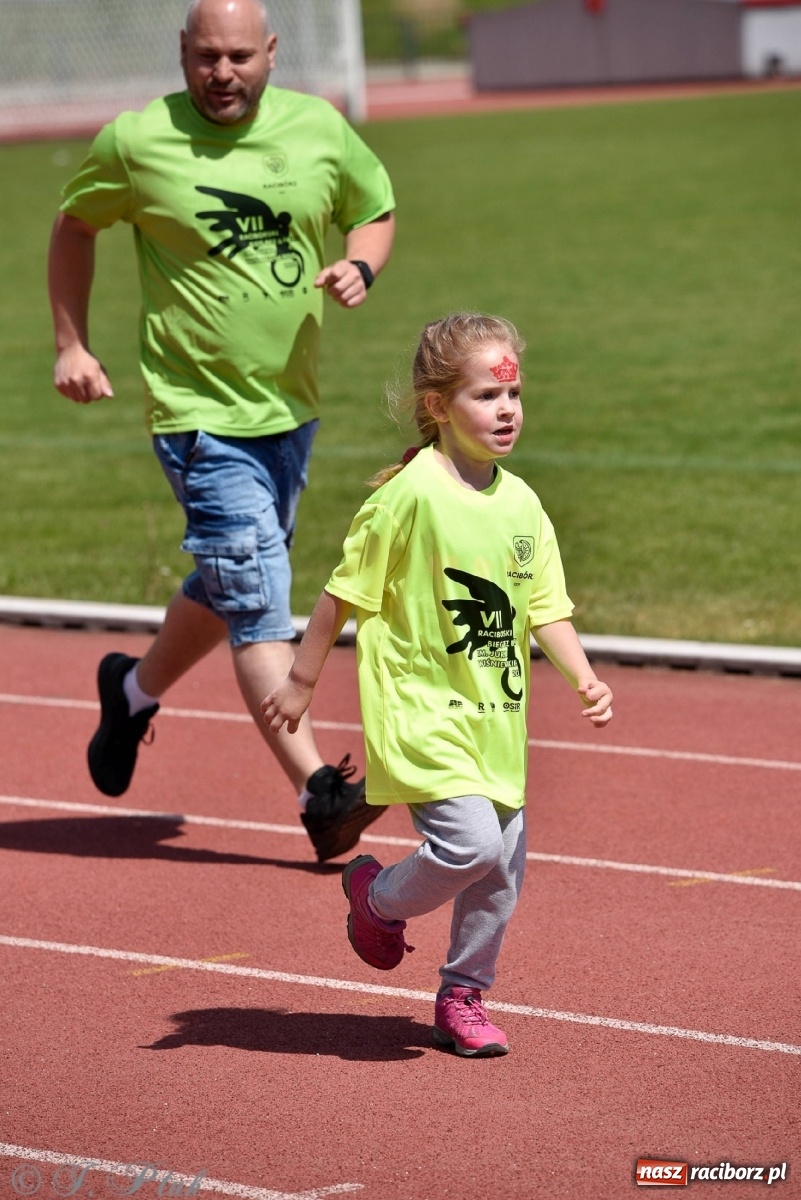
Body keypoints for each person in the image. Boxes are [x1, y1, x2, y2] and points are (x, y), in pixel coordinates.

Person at [47, 0, 396, 862]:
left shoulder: (319, 128)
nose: (222, 73)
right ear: (182, 53)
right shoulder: (135, 141)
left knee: (234, 577)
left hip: (289, 409)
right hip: (198, 418)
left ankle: (130, 693)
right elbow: (75, 224)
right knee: (259, 607)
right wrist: (71, 343)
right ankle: (321, 795)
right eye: (206, 57)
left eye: (239, 55)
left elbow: (376, 208)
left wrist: (358, 264)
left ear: (271, 53)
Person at [260, 312, 614, 1056]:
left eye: (513, 395)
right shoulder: (409, 496)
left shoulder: (521, 504)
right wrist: (299, 680)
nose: (506, 411)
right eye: (486, 396)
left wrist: (582, 676)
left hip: (496, 717)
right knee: (470, 849)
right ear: (436, 407)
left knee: (500, 873)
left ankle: (462, 996)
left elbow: (545, 605)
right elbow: (341, 593)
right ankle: (375, 898)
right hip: (422, 713)